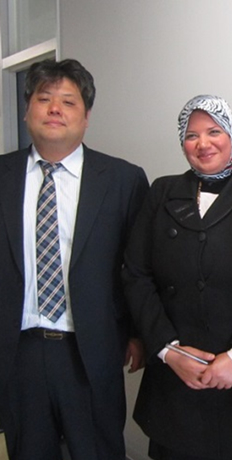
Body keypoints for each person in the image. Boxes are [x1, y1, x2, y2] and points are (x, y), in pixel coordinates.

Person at [122, 94, 232, 460]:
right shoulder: (162, 191)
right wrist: (167, 350)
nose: (203, 144)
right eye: (191, 135)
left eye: (214, 131)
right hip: (176, 384)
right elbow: (136, 274)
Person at [0, 59, 149, 459]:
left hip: (91, 350)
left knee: (96, 451)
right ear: (27, 107)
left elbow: (138, 265)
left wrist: (136, 332)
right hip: (18, 352)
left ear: (86, 117)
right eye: (44, 99)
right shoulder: (3, 175)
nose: (54, 109)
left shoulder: (122, 180)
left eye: (68, 101)